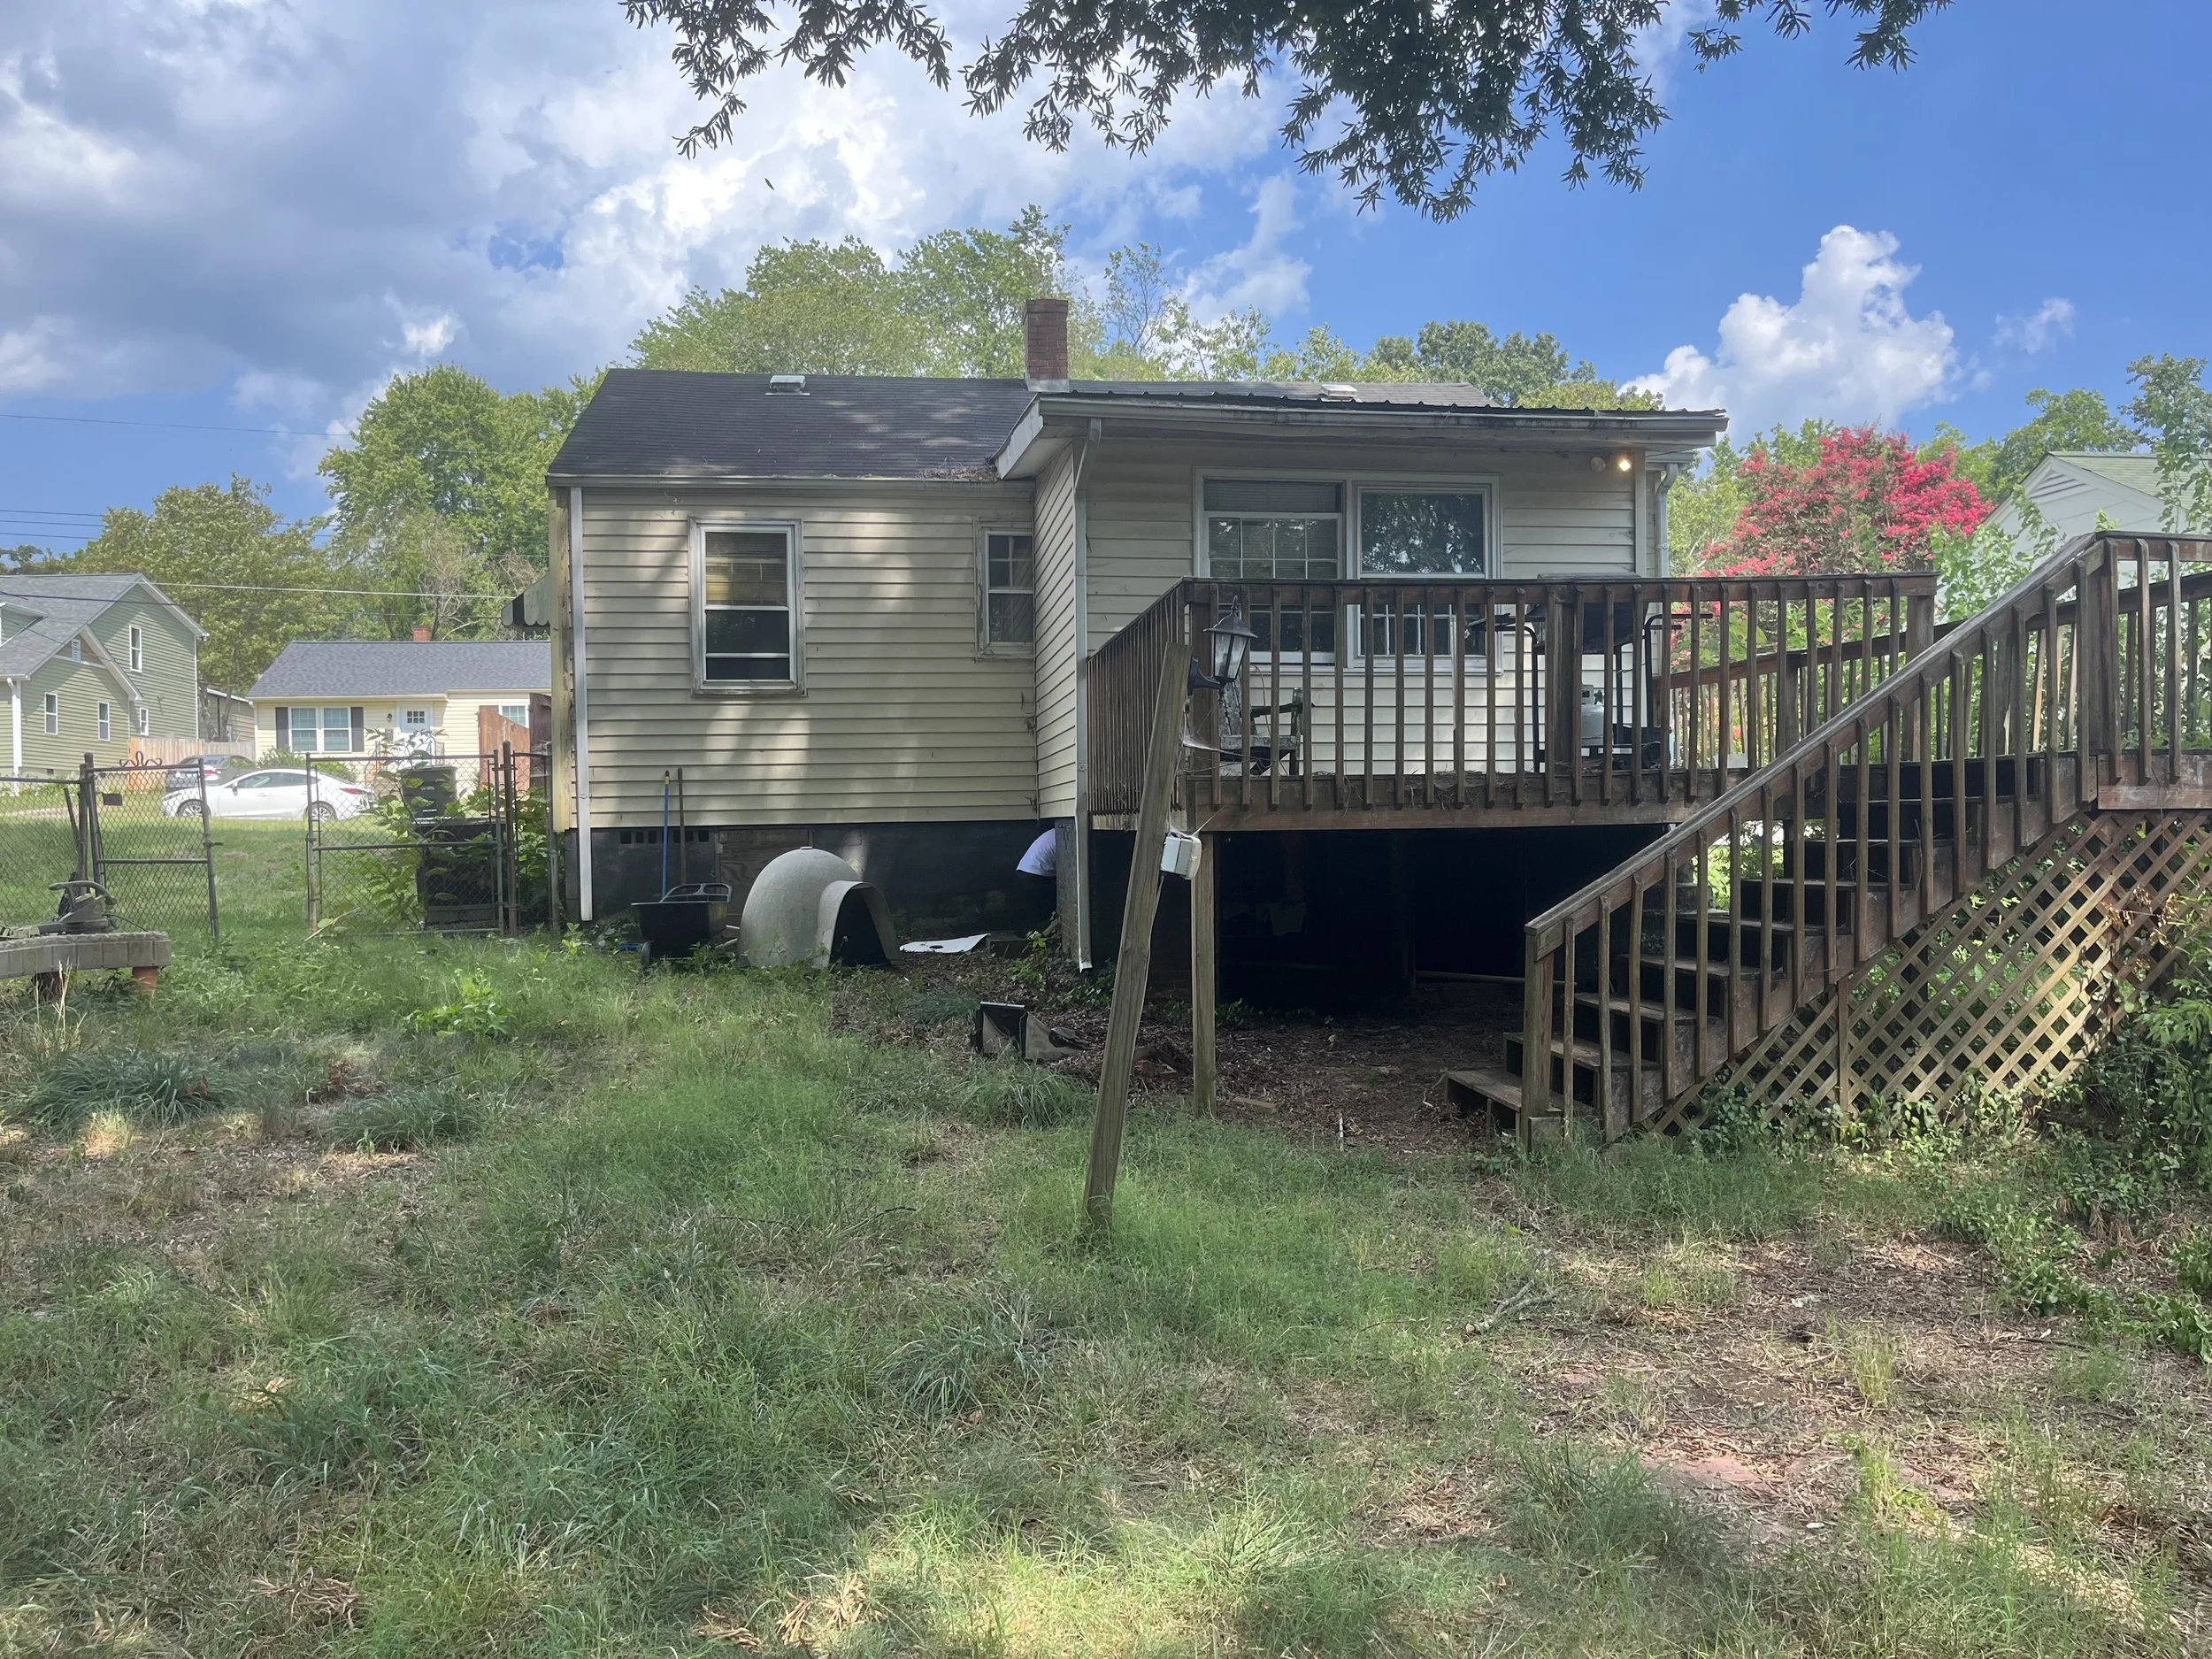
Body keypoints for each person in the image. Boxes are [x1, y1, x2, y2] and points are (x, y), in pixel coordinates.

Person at [1016, 826, 1058, 926]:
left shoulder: (1054, 833)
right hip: (1036, 875)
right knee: (1049, 910)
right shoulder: (1063, 837)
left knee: (1037, 910)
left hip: (1024, 870)